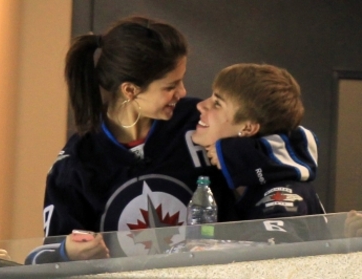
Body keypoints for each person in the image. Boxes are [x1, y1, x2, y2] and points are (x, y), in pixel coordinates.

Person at [27, 15, 240, 264]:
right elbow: (50, 256)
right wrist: (68, 253)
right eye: (170, 86)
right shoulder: (77, 162)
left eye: (182, 81)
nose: (182, 92)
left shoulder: (201, 122)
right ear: (130, 90)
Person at [191, 63, 330, 243]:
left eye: (217, 103)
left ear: (247, 127)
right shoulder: (245, 177)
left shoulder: (282, 192)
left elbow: (273, 260)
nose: (201, 105)